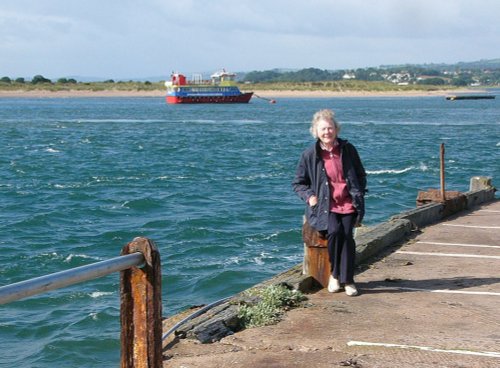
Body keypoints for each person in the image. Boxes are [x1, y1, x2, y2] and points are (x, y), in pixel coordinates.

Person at [292, 109, 367, 296]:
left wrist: (358, 192)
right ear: (316, 132)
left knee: (347, 236)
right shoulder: (310, 154)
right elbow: (298, 183)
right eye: (323, 129)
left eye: (330, 128)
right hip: (325, 206)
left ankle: (348, 280)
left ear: (336, 130)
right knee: (334, 232)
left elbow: (360, 174)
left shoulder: (348, 150)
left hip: (348, 202)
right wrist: (310, 197)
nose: (327, 132)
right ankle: (335, 274)